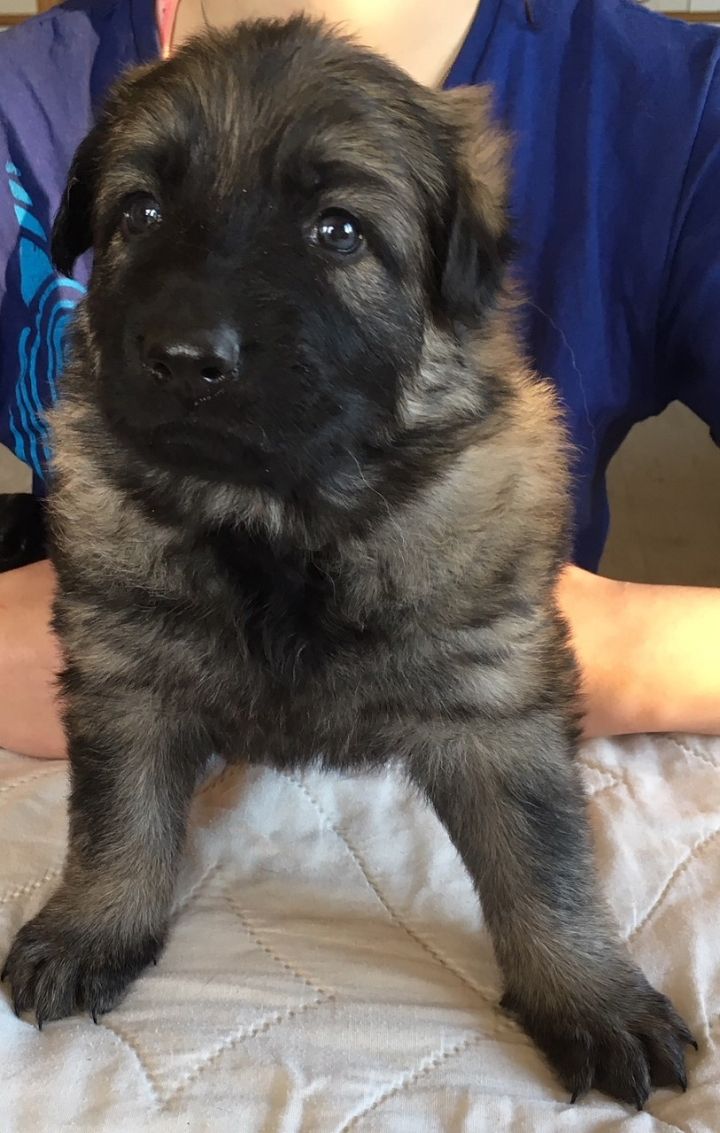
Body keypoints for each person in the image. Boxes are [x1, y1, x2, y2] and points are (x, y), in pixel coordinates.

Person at [1, 0, 719, 759]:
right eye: (143, 214)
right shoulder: (25, 99)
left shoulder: (674, 106)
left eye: (339, 232)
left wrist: (579, 651)